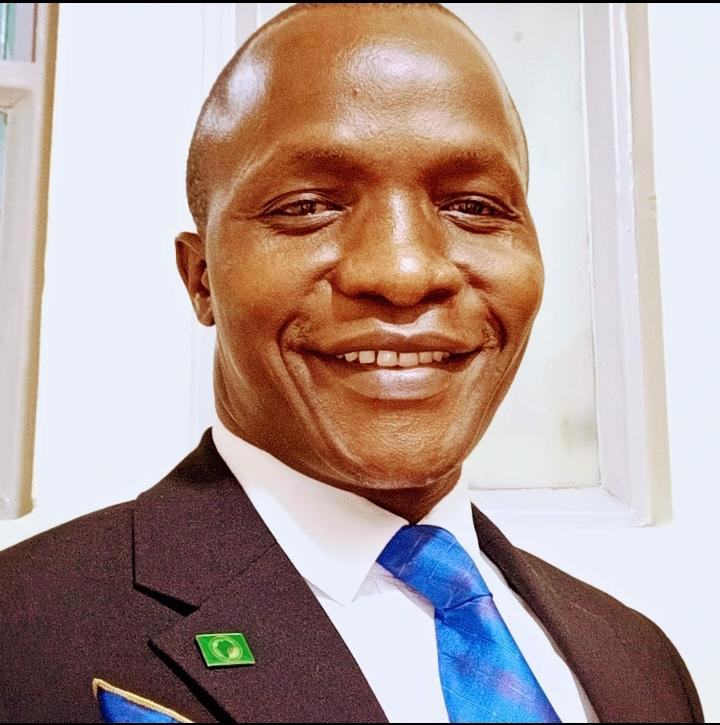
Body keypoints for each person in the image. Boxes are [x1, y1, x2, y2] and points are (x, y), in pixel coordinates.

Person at [0, 3, 703, 723]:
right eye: (308, 206)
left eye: (474, 206)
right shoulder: (22, 636)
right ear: (201, 278)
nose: (404, 271)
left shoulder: (638, 661)